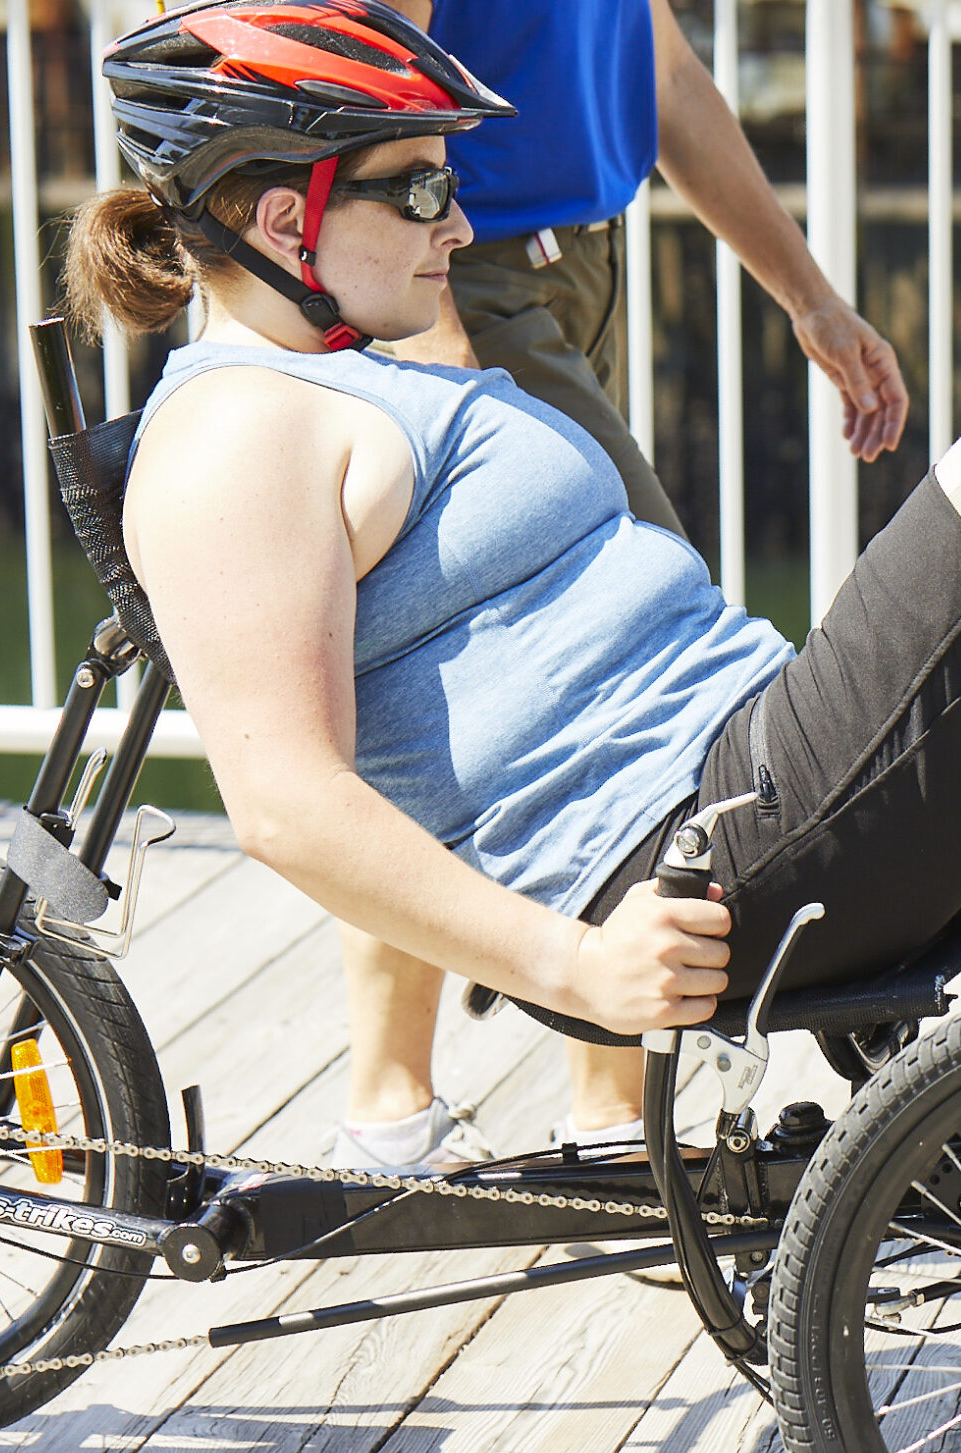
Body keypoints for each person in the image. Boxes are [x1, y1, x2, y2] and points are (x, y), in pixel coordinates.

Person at [80, 0, 961, 1172]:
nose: (460, 218)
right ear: (289, 220)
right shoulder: (231, 438)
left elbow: (668, 75)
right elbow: (284, 803)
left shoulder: (354, 382)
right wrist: (576, 967)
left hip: (757, 765)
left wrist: (810, 300)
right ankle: (485, 1110)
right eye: (426, 189)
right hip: (703, 844)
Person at [355, 0, 911, 1164]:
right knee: (627, 688)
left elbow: (660, 73)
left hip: (567, 271)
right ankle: (564, 1117)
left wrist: (807, 292)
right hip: (464, 281)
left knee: (485, 681)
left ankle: (414, 1107)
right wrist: (425, 329)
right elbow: (372, 60)